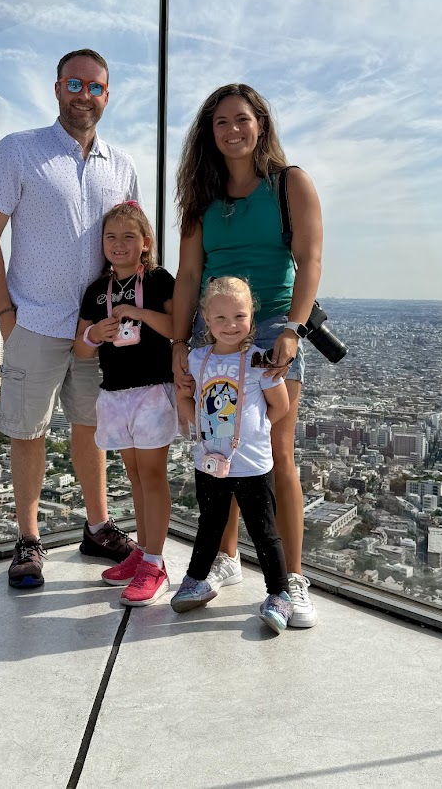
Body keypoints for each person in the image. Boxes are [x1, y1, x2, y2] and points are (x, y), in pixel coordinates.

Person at [0, 49, 141, 589]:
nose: (83, 95)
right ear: (57, 88)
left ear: (107, 96)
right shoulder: (19, 151)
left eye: (95, 87)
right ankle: (28, 539)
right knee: (29, 432)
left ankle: (97, 526)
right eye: (75, 83)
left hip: (99, 327)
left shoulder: (123, 165)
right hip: (36, 321)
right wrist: (6, 315)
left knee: (93, 430)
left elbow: (134, 245)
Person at [172, 83, 323, 627]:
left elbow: (309, 261)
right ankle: (227, 560)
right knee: (218, 450)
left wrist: (294, 331)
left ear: (261, 123)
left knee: (275, 451)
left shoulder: (290, 184)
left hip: (273, 330)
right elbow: (189, 274)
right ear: (208, 134)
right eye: (220, 123)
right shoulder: (201, 198)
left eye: (242, 119)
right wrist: (179, 346)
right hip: (212, 334)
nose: (232, 131)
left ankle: (293, 579)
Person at [171, 277, 293, 634]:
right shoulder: (196, 359)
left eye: (239, 316)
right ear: (205, 319)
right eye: (220, 318)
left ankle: (280, 593)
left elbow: (280, 407)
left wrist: (252, 432)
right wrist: (205, 424)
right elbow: (189, 401)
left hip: (252, 462)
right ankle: (196, 578)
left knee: (264, 530)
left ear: (252, 319)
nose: (230, 325)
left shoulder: (259, 361)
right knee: (209, 522)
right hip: (209, 458)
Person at [74, 202, 177, 606]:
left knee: (152, 475)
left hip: (152, 389)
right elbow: (81, 350)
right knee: (135, 475)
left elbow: (176, 328)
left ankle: (155, 563)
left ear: (145, 243)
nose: (118, 244)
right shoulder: (96, 290)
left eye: (128, 237)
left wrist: (137, 311)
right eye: (111, 237)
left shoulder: (158, 280)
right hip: (115, 392)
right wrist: (96, 333)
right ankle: (143, 552)